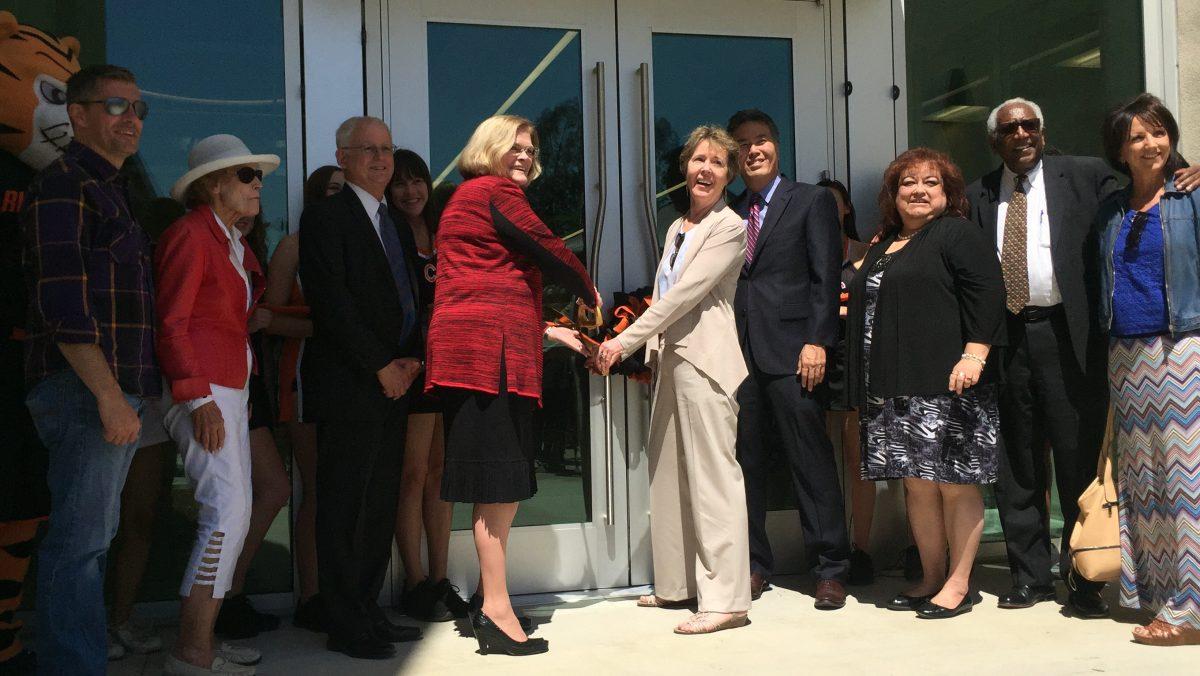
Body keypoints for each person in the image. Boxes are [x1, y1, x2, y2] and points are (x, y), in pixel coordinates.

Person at [968, 98, 1200, 618]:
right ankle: (1028, 575)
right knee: (1019, 462)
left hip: (1069, 336)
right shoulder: (978, 195)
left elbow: (1151, 177)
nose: (1022, 134)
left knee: (1078, 458)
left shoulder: (1085, 174)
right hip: (1007, 338)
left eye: (1031, 125)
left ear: (1044, 133)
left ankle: (1084, 577)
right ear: (995, 141)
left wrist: (1190, 169)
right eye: (1011, 129)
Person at [426, 114, 597, 656]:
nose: (525, 155)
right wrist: (589, 295)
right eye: (515, 146)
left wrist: (549, 328)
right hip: (486, 360)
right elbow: (551, 247)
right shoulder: (493, 191)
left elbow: (482, 284)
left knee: (496, 487)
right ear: (490, 150)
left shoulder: (466, 200)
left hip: (481, 355)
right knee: (497, 488)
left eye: (530, 148)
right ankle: (496, 615)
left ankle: (487, 599)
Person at [22, 64, 160, 674]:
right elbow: (63, 304)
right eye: (115, 106)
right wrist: (107, 396)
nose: (130, 119)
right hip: (84, 393)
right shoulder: (64, 185)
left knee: (91, 543)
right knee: (79, 548)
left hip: (113, 393)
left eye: (137, 109)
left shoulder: (114, 190)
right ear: (77, 115)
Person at [596, 125, 750, 634]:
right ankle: (678, 586)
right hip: (670, 363)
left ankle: (726, 599)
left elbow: (683, 295)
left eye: (717, 163)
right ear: (685, 167)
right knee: (669, 477)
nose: (705, 169)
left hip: (706, 362)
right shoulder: (677, 226)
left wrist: (625, 342)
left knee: (713, 480)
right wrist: (651, 350)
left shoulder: (730, 226)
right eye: (697, 160)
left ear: (729, 175)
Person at [847, 147, 1006, 620]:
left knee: (955, 484)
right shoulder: (884, 245)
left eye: (930, 182)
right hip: (893, 386)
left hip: (948, 382)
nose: (917, 190)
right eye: (907, 183)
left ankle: (959, 584)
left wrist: (975, 354)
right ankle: (931, 576)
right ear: (893, 197)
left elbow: (988, 294)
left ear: (948, 192)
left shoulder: (956, 234)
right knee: (917, 484)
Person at [299, 116, 423, 660]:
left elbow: (411, 295)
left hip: (397, 382)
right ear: (342, 155)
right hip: (354, 385)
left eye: (386, 150)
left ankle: (369, 607)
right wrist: (381, 366)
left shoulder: (394, 221)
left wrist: (413, 359)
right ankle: (344, 621)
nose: (379, 159)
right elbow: (333, 304)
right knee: (345, 503)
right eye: (366, 150)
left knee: (378, 503)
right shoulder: (325, 217)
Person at [156, 134, 278, 674]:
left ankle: (200, 640)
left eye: (258, 176)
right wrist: (197, 396)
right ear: (213, 185)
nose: (258, 185)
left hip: (229, 390)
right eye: (247, 176)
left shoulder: (228, 240)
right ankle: (192, 649)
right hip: (204, 390)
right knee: (225, 516)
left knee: (234, 512)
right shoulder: (189, 235)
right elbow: (172, 323)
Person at [725, 109, 851, 609]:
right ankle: (754, 564)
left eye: (761, 140)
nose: (753, 150)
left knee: (810, 461)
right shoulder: (729, 212)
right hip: (739, 357)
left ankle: (831, 568)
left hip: (796, 352)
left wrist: (819, 340)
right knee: (746, 464)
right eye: (743, 144)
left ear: (777, 146)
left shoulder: (811, 200)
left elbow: (826, 274)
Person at [1097, 93, 1200, 646]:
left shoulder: (1192, 195)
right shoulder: (1112, 210)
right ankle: (1161, 596)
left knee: (1189, 483)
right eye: (1137, 136)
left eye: (1158, 131)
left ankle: (1193, 612)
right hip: (1128, 355)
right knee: (1146, 483)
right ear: (1120, 149)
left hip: (1185, 347)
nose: (1150, 143)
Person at [387, 149, 468, 622]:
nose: (411, 191)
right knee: (412, 474)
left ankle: (440, 579)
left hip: (448, 365)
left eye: (417, 181)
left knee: (441, 473)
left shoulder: (443, 232)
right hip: (412, 368)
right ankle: (413, 582)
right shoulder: (389, 235)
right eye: (400, 183)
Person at [265, 165, 343, 631]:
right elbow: (268, 318)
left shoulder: (362, 241)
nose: (340, 198)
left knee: (345, 490)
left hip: (352, 379)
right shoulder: (294, 245)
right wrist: (329, 327)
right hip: (302, 375)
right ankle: (311, 596)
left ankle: (347, 590)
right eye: (332, 191)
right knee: (317, 489)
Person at [211, 214, 291, 640]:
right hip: (218, 385)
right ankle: (220, 602)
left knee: (255, 494)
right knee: (230, 503)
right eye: (242, 180)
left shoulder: (251, 250)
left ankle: (227, 597)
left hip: (250, 382)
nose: (253, 192)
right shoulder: (204, 242)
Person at [817, 177, 876, 585]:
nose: (825, 209)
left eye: (832, 203)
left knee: (858, 460)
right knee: (820, 460)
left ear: (846, 209)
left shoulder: (867, 254)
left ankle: (862, 549)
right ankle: (825, 548)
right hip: (815, 361)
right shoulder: (801, 253)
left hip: (856, 362)